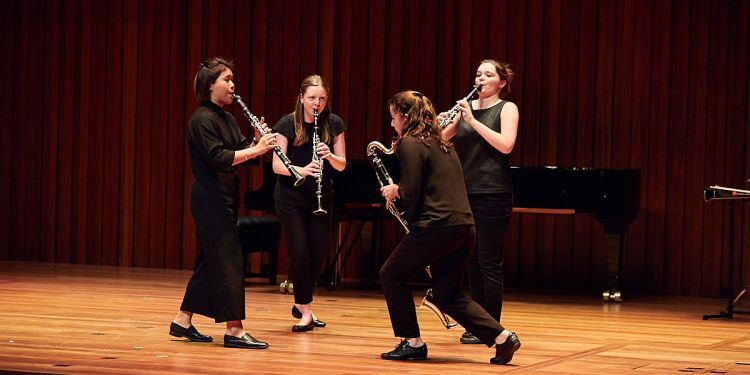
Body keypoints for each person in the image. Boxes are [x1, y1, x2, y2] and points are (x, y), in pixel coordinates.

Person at [379, 90, 521, 365]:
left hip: (437, 226)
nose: (392, 124)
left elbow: (412, 191)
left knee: (391, 274)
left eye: (393, 117)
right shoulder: (440, 142)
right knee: (448, 292)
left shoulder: (409, 142)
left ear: (405, 117)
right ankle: (503, 338)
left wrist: (395, 191)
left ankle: (412, 342)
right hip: (463, 227)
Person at [170, 57, 278, 350]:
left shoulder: (226, 117)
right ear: (210, 85)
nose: (233, 85)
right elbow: (219, 158)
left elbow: (242, 150)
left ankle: (182, 320)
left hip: (226, 197)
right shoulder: (201, 119)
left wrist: (257, 141)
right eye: (227, 80)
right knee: (229, 259)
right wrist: (256, 149)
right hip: (209, 198)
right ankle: (234, 330)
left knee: (210, 260)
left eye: (232, 80)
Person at [439, 59, 519, 344]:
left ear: (502, 83)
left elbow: (506, 145)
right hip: (465, 193)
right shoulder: (465, 110)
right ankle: (477, 324)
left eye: (488, 74)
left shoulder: (506, 108)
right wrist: (439, 124)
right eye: (478, 74)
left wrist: (471, 122)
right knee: (470, 261)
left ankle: (492, 327)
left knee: (489, 262)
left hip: (494, 193)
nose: (481, 79)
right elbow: (440, 141)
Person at [272, 75, 347, 332]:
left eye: (322, 99)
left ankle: (302, 302)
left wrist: (330, 155)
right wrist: (301, 170)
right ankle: (305, 310)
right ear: (302, 97)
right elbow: (276, 164)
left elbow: (342, 164)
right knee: (300, 252)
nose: (317, 103)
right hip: (291, 197)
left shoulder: (333, 123)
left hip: (321, 195)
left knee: (317, 254)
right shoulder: (286, 123)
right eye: (312, 98)